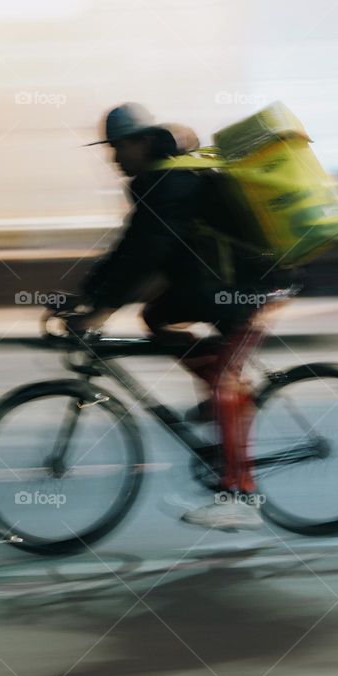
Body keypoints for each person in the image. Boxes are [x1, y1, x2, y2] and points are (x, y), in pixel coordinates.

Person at [69, 102, 294, 530]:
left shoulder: (173, 181)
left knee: (228, 378)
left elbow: (149, 251)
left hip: (254, 286)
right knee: (157, 316)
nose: (112, 157)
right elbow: (129, 248)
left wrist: (101, 308)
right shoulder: (160, 181)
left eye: (117, 147)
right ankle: (220, 389)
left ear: (142, 141)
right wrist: (82, 296)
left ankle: (240, 497)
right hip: (218, 288)